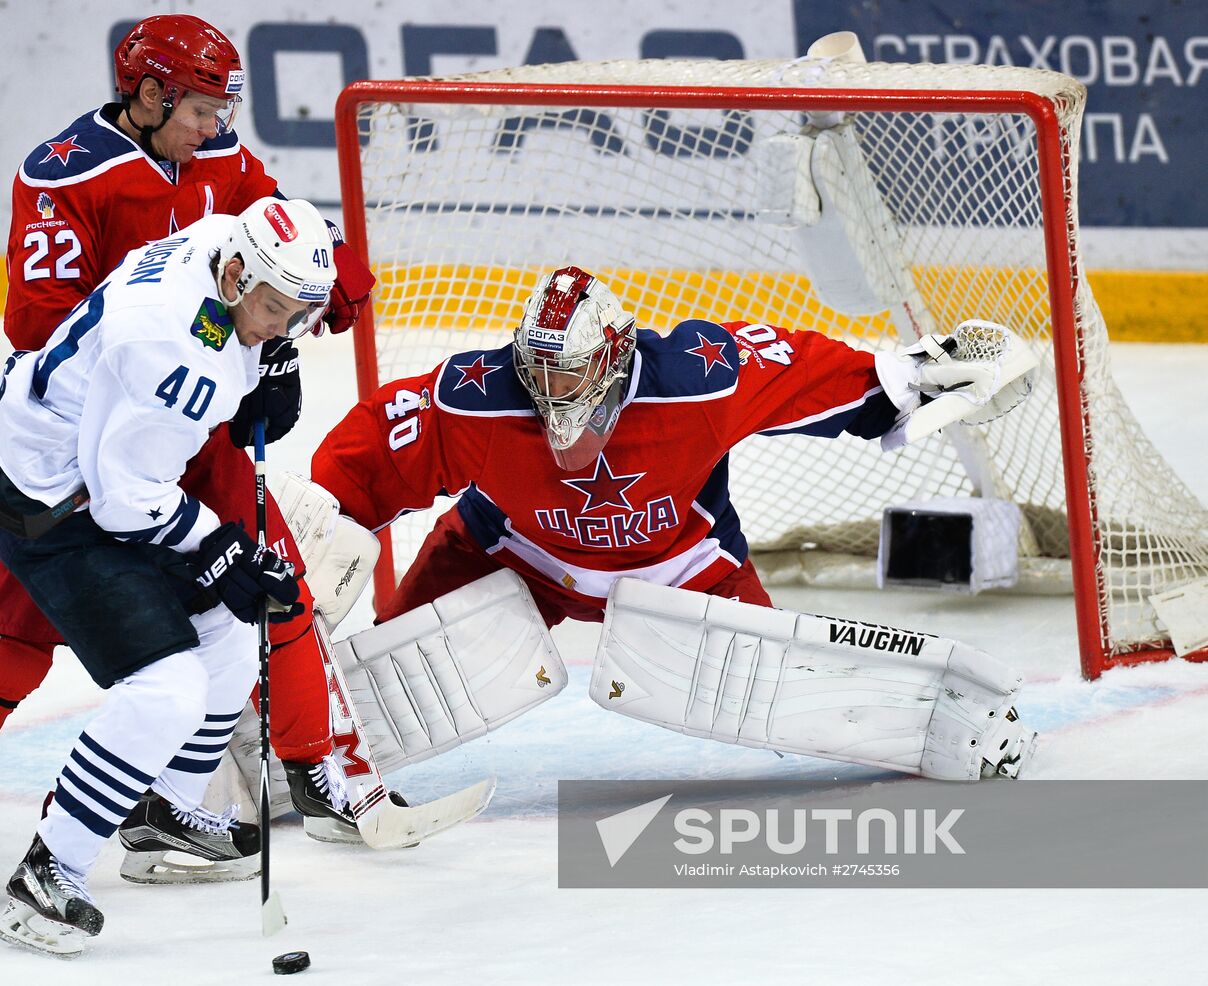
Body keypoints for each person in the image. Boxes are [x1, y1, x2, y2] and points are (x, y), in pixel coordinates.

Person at [0, 14, 375, 912]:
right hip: (77, 445)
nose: (216, 130)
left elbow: (286, 237)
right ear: (146, 94)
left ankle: (265, 781)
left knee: (266, 588)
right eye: (200, 110)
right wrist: (175, 346)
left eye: (223, 111)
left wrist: (293, 328)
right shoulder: (63, 174)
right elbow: (38, 328)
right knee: (14, 644)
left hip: (189, 425)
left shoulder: (218, 154)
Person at [306, 266, 1037, 779]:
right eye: (542, 372)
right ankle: (291, 751)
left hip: (683, 568)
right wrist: (329, 521)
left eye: (573, 373)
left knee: (800, 700)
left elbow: (817, 378)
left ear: (618, 354)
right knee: (385, 682)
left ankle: (958, 725)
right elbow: (374, 450)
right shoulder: (476, 396)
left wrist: (910, 378)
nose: (554, 393)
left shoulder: (700, 375)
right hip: (515, 554)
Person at [0, 196, 333, 956]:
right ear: (237, 276)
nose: (284, 323)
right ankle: (50, 871)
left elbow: (231, 324)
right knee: (166, 686)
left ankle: (163, 811)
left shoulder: (219, 244)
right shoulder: (176, 356)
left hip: (94, 456)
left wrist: (269, 353)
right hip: (55, 501)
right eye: (275, 310)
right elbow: (125, 502)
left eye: (298, 314)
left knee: (233, 640)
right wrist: (220, 548)